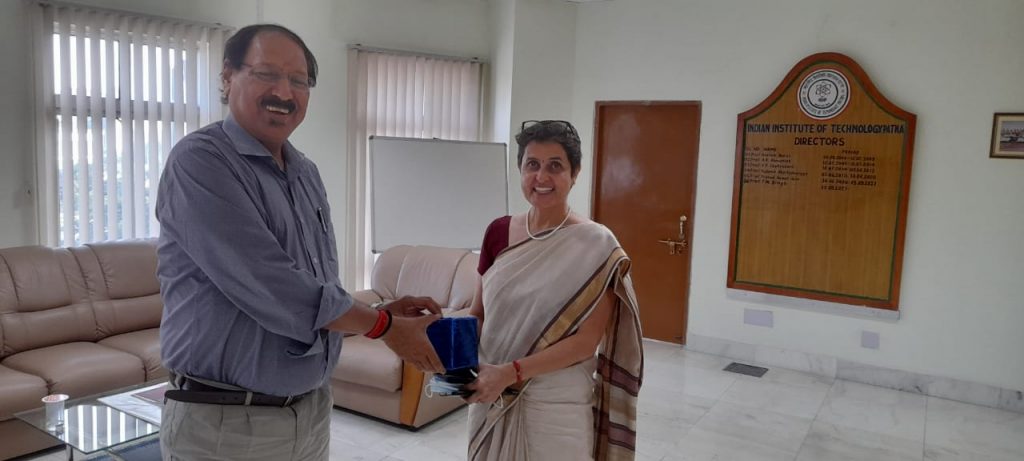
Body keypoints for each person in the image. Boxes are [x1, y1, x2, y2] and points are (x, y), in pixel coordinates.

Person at [155, 24, 444, 460]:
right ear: (228, 76)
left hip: (310, 414)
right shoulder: (201, 162)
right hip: (226, 424)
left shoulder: (305, 173)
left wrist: (382, 311)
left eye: (299, 81)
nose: (284, 92)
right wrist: (383, 327)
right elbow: (272, 286)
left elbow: (313, 285)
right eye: (267, 74)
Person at [464, 120, 644, 460]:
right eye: (532, 164)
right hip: (491, 393)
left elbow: (585, 342)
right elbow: (478, 313)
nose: (541, 177)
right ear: (520, 170)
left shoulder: (597, 245)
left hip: (557, 404)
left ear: (574, 174)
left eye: (555, 166)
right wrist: (450, 346)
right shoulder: (498, 233)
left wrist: (511, 373)